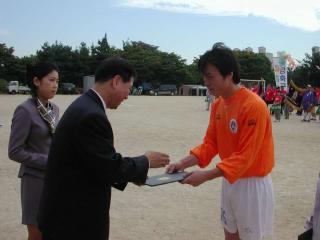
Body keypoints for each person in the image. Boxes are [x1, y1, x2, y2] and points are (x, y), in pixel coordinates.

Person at [38, 57, 170, 240]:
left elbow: (95, 164)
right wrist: (145, 161)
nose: (127, 95)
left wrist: (134, 175)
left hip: (64, 216)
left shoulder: (85, 104)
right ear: (116, 81)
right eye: (128, 88)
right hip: (73, 223)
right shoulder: (92, 115)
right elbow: (109, 167)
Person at [167, 43, 275, 240]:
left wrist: (206, 176)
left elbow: (246, 156)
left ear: (229, 74)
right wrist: (182, 163)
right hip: (229, 179)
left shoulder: (254, 106)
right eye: (204, 76)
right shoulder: (218, 105)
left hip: (252, 183)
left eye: (210, 76)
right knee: (230, 235)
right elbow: (210, 144)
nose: (206, 82)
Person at [8, 62, 60, 240]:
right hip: (34, 180)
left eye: (57, 81)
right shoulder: (25, 110)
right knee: (36, 233)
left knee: (53, 229)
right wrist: (48, 161)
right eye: (51, 80)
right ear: (37, 81)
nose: (55, 85)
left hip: (54, 179)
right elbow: (15, 151)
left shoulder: (54, 109)